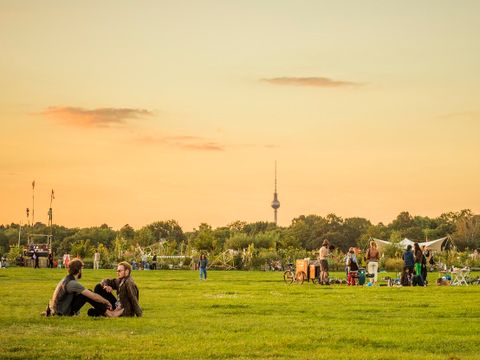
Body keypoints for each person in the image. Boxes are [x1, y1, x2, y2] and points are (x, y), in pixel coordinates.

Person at [45, 258, 118, 317]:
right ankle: (109, 314)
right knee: (87, 295)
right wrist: (106, 301)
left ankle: (106, 312)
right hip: (63, 313)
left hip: (58, 311)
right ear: (79, 270)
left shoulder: (65, 280)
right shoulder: (72, 283)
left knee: (84, 294)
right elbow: (93, 296)